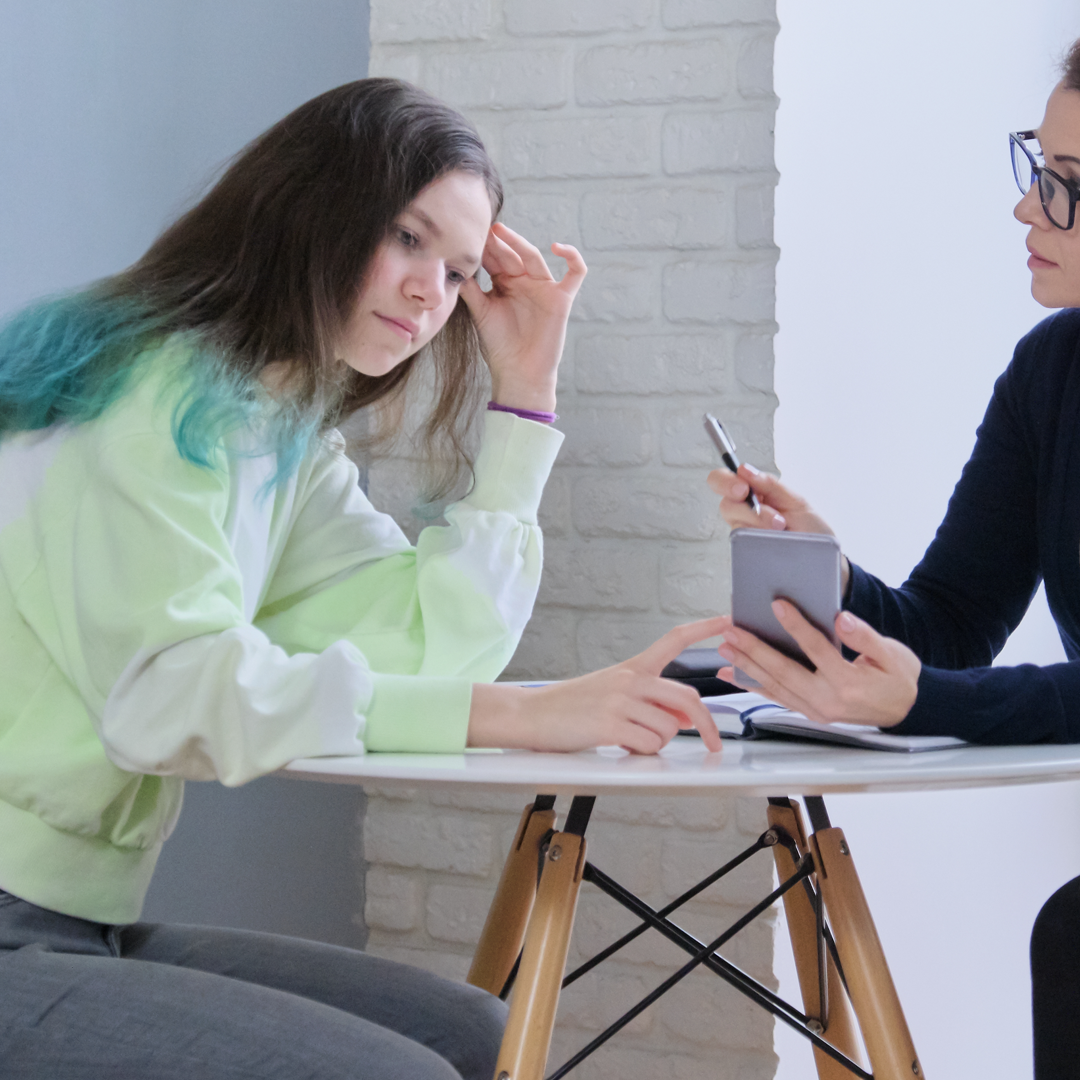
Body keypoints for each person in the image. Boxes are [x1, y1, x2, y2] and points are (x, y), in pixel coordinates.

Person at [0, 79, 723, 1079]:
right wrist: (521, 715)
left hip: (75, 918)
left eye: (463, 269)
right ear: (312, 210)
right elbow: (175, 693)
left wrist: (525, 396)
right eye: (408, 237)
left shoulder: (273, 427)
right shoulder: (149, 392)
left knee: (477, 1038)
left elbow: (437, 641)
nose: (435, 291)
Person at [707, 40, 1080, 1080]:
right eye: (1038, 168)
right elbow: (951, 619)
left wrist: (927, 705)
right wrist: (826, 578)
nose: (1028, 210)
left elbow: (933, 683)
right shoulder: (1051, 372)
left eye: (1068, 188)